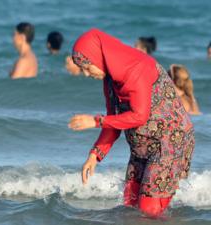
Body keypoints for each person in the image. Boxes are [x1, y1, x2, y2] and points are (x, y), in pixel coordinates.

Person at [68, 28, 194, 217]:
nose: (86, 74)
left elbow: (139, 116)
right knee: (131, 205)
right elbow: (113, 122)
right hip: (141, 149)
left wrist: (95, 121)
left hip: (168, 144)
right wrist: (94, 155)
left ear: (99, 56)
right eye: (82, 69)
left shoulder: (136, 67)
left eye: (87, 67)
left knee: (149, 211)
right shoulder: (110, 79)